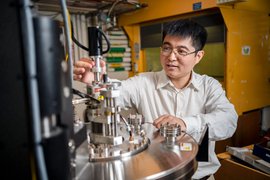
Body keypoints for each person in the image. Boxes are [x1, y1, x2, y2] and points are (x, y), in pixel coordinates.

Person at [73, 19, 238, 180]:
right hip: (154, 175)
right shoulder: (143, 82)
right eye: (167, 48)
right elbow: (118, 91)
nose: (171, 57)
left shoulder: (209, 86)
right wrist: (98, 82)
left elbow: (228, 121)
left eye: (181, 51)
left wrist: (185, 123)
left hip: (200, 176)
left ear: (198, 56)